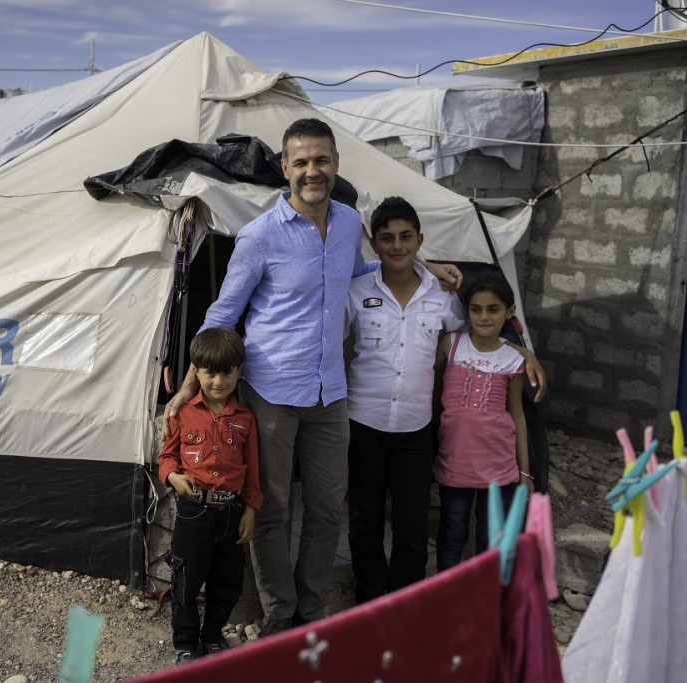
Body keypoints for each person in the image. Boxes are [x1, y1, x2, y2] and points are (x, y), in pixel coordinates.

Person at [163, 118, 465, 634]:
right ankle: (280, 613)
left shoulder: (349, 223)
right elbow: (223, 312)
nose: (311, 171)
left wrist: (424, 264)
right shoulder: (258, 237)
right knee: (272, 509)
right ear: (285, 168)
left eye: (321, 160)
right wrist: (192, 383)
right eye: (300, 162)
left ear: (336, 165)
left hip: (331, 393)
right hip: (272, 392)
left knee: (328, 508)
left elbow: (356, 272)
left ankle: (311, 606)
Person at [343, 196, 470, 603]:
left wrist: (443, 352)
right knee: (364, 519)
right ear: (374, 245)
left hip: (416, 427)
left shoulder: (442, 295)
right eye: (387, 238)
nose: (396, 246)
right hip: (364, 422)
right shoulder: (356, 291)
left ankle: (404, 601)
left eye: (404, 237)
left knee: (412, 522)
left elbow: (467, 334)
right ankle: (369, 597)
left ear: (420, 240)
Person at [158, 327, 262, 664]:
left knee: (228, 581)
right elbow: (166, 457)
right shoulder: (182, 413)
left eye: (227, 372)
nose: (218, 381)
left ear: (239, 371)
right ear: (196, 371)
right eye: (210, 373)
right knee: (186, 579)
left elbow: (253, 469)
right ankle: (185, 642)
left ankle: (213, 634)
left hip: (231, 513)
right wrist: (172, 476)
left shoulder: (246, 419)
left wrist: (250, 510)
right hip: (193, 512)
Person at [433, 271, 534, 571]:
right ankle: (448, 594)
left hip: (499, 466)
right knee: (452, 532)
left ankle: (484, 602)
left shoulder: (513, 360)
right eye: (476, 310)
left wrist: (525, 472)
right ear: (467, 312)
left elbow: (517, 415)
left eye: (493, 309)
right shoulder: (450, 344)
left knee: (490, 540)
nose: (484, 317)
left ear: (509, 311)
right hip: (455, 462)